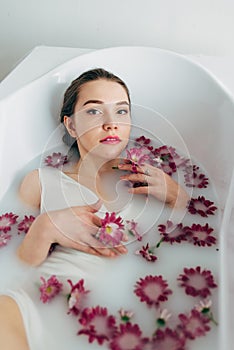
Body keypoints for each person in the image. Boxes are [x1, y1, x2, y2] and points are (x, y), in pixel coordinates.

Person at [0, 68, 189, 350]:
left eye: (121, 111)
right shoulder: (41, 181)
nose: (111, 123)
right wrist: (45, 227)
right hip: (36, 304)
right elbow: (11, 265)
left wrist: (179, 197)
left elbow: (189, 247)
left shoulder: (154, 181)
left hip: (127, 318)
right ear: (71, 125)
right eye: (93, 111)